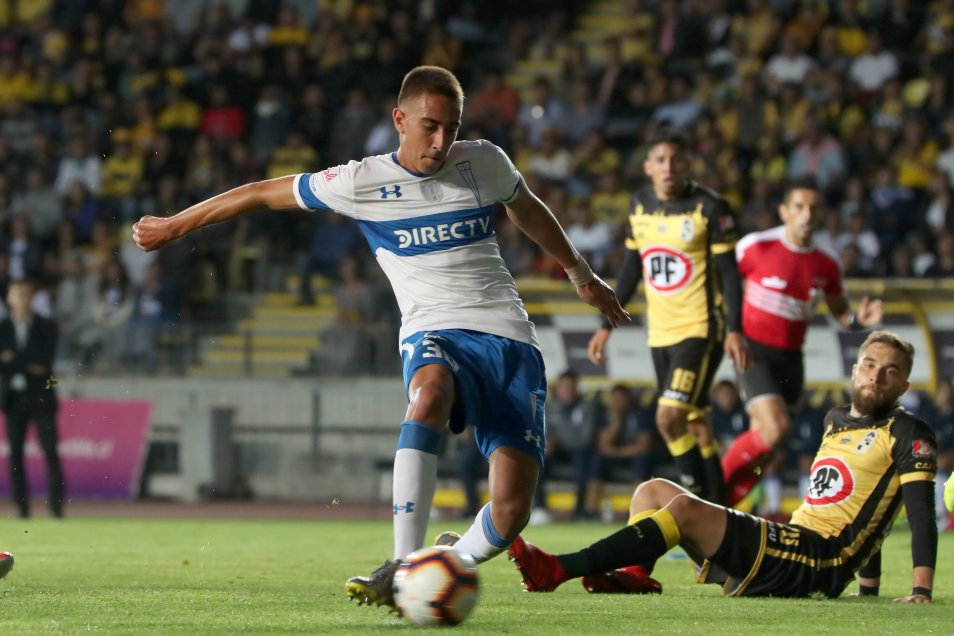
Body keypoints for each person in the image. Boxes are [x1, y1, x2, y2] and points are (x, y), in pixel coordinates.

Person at [132, 66, 628, 612]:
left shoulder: (484, 162)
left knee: (511, 512)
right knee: (429, 393)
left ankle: (446, 562)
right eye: (429, 126)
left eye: (451, 128)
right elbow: (258, 194)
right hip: (432, 327)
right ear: (399, 120)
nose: (440, 142)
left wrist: (581, 274)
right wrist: (175, 225)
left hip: (508, 337)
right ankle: (401, 564)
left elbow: (526, 206)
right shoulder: (359, 181)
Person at [509, 331, 937, 603]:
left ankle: (559, 568)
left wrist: (920, 590)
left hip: (818, 560)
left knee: (683, 510)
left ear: (904, 385)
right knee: (652, 491)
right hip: (793, 544)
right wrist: (868, 588)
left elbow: (917, 514)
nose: (876, 376)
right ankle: (636, 575)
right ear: (855, 369)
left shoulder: (909, 431)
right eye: (870, 365)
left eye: (890, 371)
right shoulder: (836, 419)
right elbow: (864, 500)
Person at [587, 130, 748, 504]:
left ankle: (696, 509)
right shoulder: (639, 205)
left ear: (688, 163)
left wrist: (735, 330)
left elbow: (729, 275)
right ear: (648, 167)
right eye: (660, 160)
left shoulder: (710, 207)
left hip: (700, 329)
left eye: (676, 159)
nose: (669, 167)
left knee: (668, 419)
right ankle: (721, 513)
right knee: (697, 427)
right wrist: (606, 324)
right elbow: (632, 268)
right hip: (659, 334)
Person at [722, 179, 883, 508]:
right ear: (784, 211)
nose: (806, 214)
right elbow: (724, 284)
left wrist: (858, 320)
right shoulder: (756, 246)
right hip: (753, 350)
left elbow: (840, 310)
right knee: (776, 429)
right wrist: (730, 330)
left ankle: (720, 511)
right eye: (799, 206)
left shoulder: (827, 262)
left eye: (813, 207)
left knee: (767, 449)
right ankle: (708, 494)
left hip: (791, 359)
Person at [0, 279, 64, 519]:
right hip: (13, 399)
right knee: (15, 455)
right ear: (9, 298)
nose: (23, 299)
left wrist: (12, 359)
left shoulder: (47, 326)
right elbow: (28, 362)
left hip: (43, 396)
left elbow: (46, 361)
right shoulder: (3, 327)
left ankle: (57, 509)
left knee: (51, 452)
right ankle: (22, 509)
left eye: (27, 294)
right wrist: (28, 364)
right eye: (18, 294)